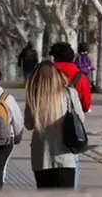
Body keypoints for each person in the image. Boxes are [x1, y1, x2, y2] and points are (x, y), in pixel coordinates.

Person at [24, 60, 85, 189]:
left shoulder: (34, 96)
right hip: (65, 156)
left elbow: (28, 124)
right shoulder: (69, 93)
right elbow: (81, 119)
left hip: (41, 157)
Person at [49, 42, 92, 189]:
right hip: (71, 127)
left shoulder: (46, 74)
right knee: (72, 161)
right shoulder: (79, 76)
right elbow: (86, 105)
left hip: (47, 123)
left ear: (54, 56)